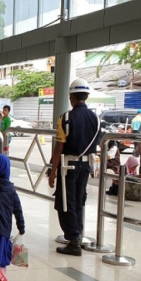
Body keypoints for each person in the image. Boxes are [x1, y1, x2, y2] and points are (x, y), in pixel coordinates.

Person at [49, 78, 100, 256]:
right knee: (79, 200)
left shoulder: (66, 118)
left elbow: (59, 147)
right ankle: (77, 235)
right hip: (86, 167)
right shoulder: (96, 118)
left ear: (71, 97)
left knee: (65, 202)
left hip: (68, 167)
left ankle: (73, 240)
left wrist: (52, 171)